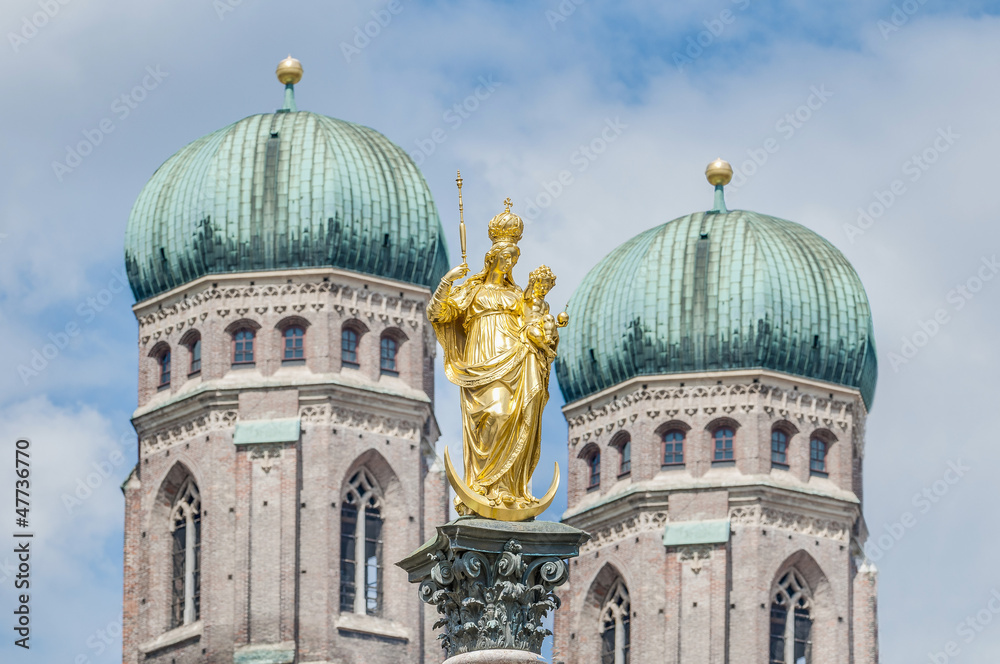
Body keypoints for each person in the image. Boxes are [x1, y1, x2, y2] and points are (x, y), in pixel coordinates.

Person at [427, 200, 556, 512]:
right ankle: (482, 483)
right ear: (492, 258)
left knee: (517, 413)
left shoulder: (517, 296)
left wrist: (544, 332)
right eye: (504, 257)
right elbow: (437, 313)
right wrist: (447, 281)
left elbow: (535, 324)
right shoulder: (472, 291)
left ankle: (509, 489)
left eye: (513, 259)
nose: (509, 264)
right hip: (482, 359)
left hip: (515, 358)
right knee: (495, 413)